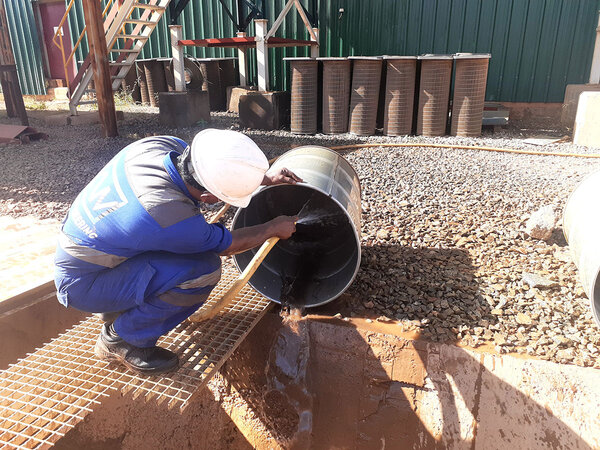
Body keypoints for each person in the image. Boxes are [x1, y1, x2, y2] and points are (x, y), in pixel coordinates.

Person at [54, 129, 301, 374]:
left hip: (96, 253)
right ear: (207, 197)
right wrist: (272, 228)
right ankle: (123, 339)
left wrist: (261, 178)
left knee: (179, 254)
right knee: (203, 270)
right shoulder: (168, 215)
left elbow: (215, 170)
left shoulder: (160, 146)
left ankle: (122, 304)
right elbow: (228, 246)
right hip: (84, 285)